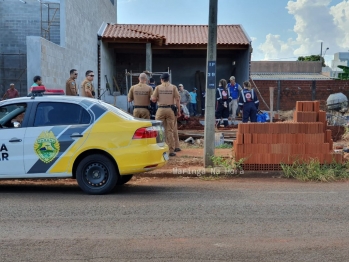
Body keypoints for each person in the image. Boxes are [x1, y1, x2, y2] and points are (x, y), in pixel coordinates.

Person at [152, 73, 181, 157]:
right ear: (168, 79)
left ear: (161, 79)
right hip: (170, 110)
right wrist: (179, 111)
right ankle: (171, 150)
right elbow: (178, 99)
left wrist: (157, 99)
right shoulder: (173, 87)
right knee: (170, 130)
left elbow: (153, 99)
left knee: (159, 129)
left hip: (160, 110)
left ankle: (159, 149)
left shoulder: (158, 88)